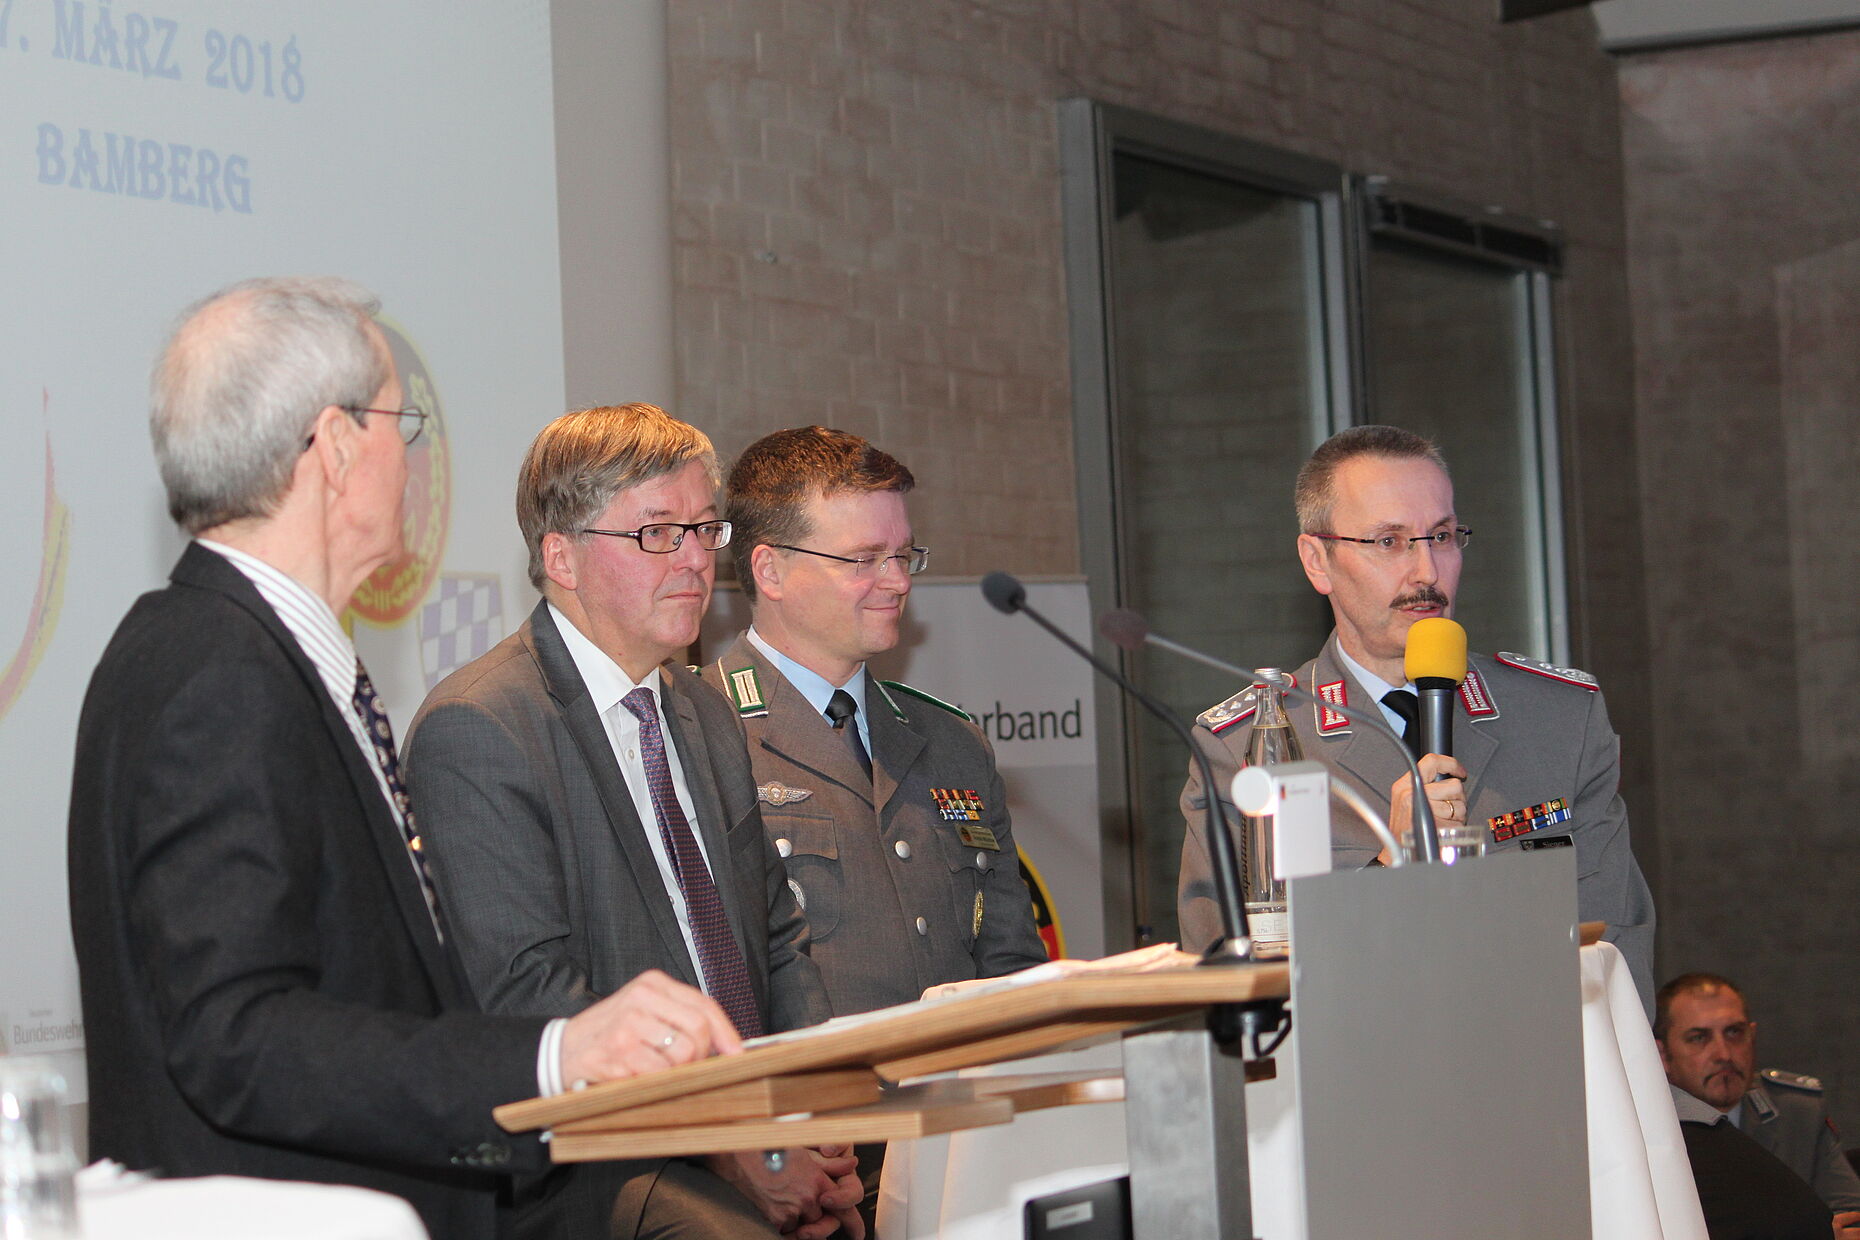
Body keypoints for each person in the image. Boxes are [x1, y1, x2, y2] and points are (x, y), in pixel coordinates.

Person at [68, 278, 744, 1240]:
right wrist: (554, 1058)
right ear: (338, 448)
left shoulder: (230, 649)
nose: (411, 460)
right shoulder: (217, 672)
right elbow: (236, 1036)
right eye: (401, 425)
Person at [402, 405, 860, 1239]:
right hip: (602, 1163)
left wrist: (807, 1117)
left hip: (746, 1129)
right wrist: (733, 1147)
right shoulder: (480, 727)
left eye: (703, 529)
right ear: (561, 557)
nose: (695, 560)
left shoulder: (704, 711)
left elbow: (779, 938)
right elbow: (530, 999)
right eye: (658, 533)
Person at [702, 426, 1049, 1231]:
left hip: (968, 1162)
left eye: (904, 555)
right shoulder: (700, 730)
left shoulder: (949, 741)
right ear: (771, 570)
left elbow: (1009, 964)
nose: (896, 581)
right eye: (864, 559)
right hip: (803, 1171)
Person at [1177, 425, 1656, 1003]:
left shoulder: (1558, 719)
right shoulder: (1248, 749)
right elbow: (1230, 991)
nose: (1427, 571)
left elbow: (1616, 954)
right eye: (1389, 542)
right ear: (1317, 561)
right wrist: (1388, 867)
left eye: (1443, 537)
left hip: (1547, 1065)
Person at [1656, 972, 1860, 1234]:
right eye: (1699, 1038)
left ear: (1752, 1036)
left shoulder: (1798, 1114)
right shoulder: (1650, 1131)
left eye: (1734, 1033)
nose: (1724, 1054)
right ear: (1661, 1054)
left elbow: (1853, 1218)